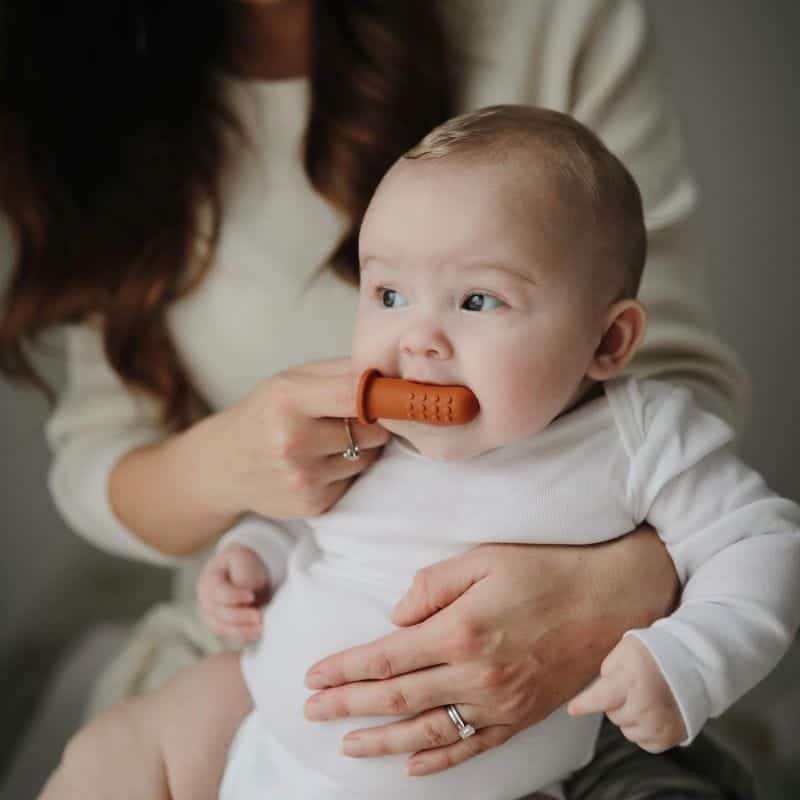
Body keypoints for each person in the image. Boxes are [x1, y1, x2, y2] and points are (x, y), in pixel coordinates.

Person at [0, 2, 753, 799]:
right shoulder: (377, 435)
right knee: (111, 756)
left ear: (607, 345)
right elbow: (316, 531)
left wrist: (642, 607)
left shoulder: (633, 433)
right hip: (265, 704)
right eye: (387, 293)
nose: (419, 340)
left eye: (476, 302)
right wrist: (250, 545)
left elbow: (748, 534)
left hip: (528, 736)